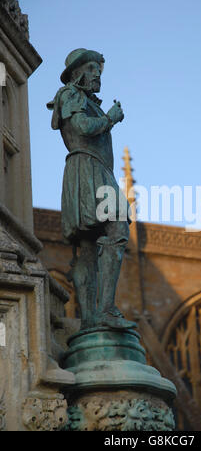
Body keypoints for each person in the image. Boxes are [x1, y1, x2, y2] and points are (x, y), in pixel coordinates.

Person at [47, 48, 136, 330]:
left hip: (92, 168)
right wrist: (111, 118)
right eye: (94, 68)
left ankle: (91, 322)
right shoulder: (70, 94)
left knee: (88, 246)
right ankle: (105, 310)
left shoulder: (82, 98)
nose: (98, 74)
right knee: (117, 226)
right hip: (88, 167)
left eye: (100, 70)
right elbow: (83, 127)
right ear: (79, 71)